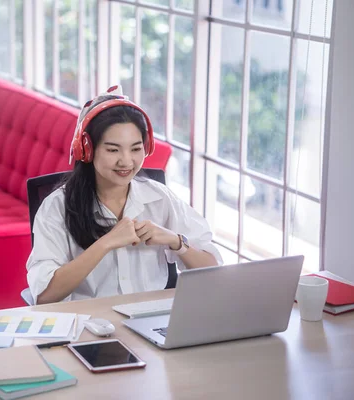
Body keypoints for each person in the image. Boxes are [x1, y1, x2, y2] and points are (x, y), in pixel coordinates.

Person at [26, 85, 223, 305]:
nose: (126, 161)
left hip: (149, 319)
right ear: (87, 150)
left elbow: (213, 270)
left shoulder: (160, 198)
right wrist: (106, 244)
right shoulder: (57, 207)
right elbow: (44, 296)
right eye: (113, 150)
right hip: (87, 323)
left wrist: (176, 241)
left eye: (136, 149)